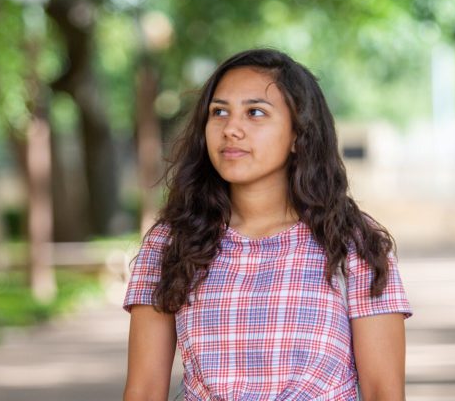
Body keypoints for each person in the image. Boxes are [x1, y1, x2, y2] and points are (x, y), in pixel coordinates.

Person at [122, 48, 412, 401]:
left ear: (297, 134)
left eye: (255, 112)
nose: (231, 129)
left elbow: (384, 392)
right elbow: (143, 390)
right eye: (219, 112)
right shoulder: (171, 243)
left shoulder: (353, 243)